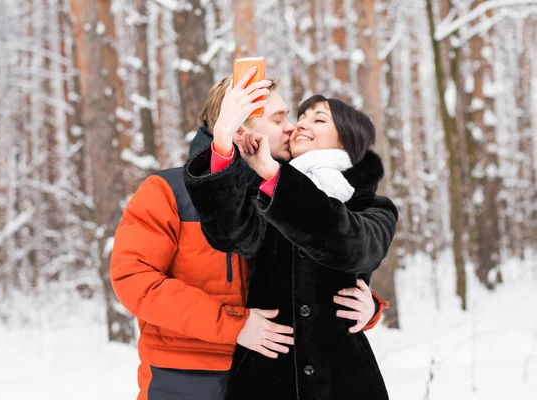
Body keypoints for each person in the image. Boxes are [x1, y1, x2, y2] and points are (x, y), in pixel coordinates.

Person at [110, 75, 386, 400]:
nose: (291, 127)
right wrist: (233, 325)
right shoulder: (167, 191)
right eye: (278, 118)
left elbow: (310, 275)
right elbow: (135, 281)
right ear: (240, 125)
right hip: (189, 382)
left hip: (270, 381)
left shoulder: (286, 193)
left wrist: (368, 307)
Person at [183, 67, 398, 400]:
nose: (297, 125)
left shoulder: (373, 205)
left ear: (348, 139)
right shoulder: (262, 195)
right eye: (294, 118)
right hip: (265, 377)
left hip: (344, 380)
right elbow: (233, 237)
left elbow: (351, 246)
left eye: (319, 120)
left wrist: (373, 306)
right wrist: (224, 143)